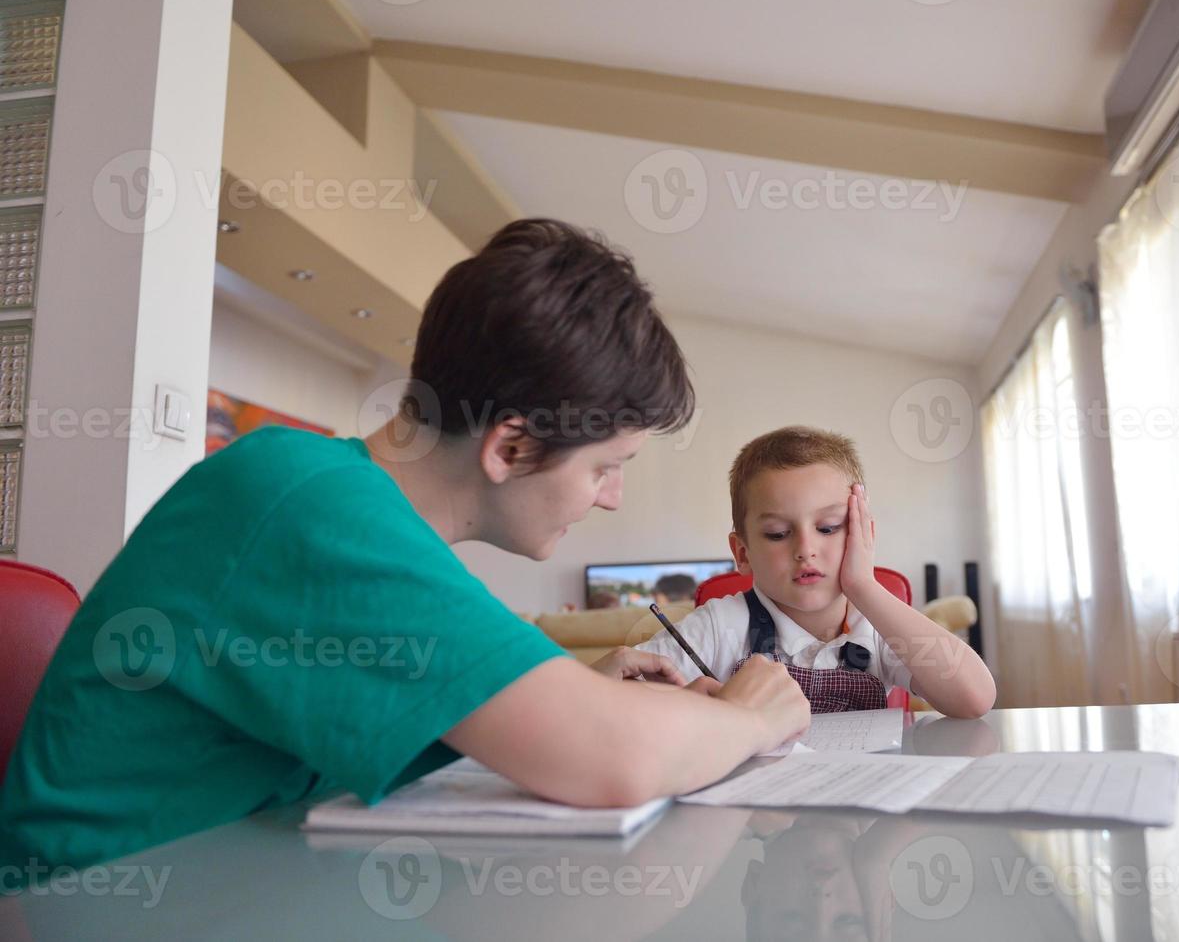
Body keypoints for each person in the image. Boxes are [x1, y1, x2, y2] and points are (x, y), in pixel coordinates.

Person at [0, 219, 809, 876]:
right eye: (605, 468)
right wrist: (748, 716)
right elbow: (615, 760)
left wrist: (562, 697)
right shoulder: (306, 501)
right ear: (512, 448)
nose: (612, 497)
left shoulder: (354, 512)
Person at [637, 426, 996, 717]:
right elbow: (619, 703)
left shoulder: (875, 627)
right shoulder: (718, 626)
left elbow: (974, 699)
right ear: (742, 553)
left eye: (827, 528)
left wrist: (864, 587)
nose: (805, 549)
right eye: (778, 534)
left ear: (863, 535)